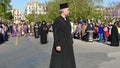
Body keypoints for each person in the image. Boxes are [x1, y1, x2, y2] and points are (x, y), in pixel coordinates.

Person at [49, 3, 76, 68]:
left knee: (68, 59)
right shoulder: (57, 20)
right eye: (68, 10)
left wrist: (71, 40)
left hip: (68, 43)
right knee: (59, 61)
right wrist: (57, 44)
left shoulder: (67, 20)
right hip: (61, 43)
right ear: (63, 10)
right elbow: (56, 33)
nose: (69, 11)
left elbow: (68, 31)